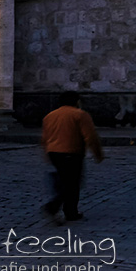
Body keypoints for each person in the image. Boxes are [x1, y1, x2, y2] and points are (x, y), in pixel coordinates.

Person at [41, 91, 105, 223]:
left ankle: (70, 211)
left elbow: (44, 138)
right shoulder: (80, 115)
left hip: (53, 152)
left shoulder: (50, 116)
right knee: (72, 183)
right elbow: (91, 136)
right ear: (77, 101)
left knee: (67, 181)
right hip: (72, 152)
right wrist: (97, 154)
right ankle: (56, 207)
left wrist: (46, 154)